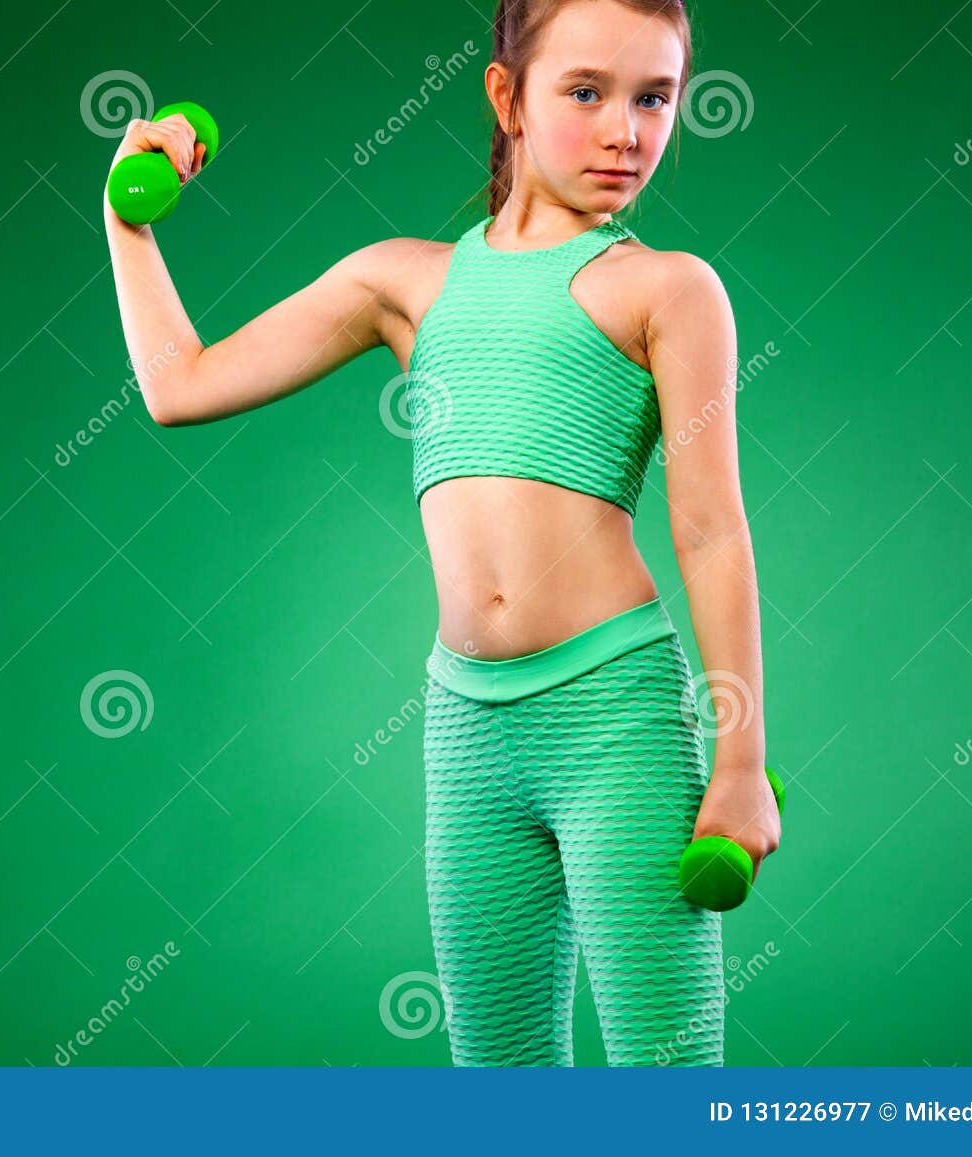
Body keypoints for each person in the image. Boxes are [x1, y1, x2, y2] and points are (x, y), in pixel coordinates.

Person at [102, 0, 779, 1066]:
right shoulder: (402, 282)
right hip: (468, 734)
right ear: (506, 97)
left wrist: (739, 757)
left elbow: (710, 533)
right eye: (586, 91)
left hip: (618, 723)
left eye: (655, 96)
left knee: (667, 1087)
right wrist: (126, 220)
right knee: (496, 1086)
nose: (625, 131)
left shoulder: (667, 288)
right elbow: (178, 385)